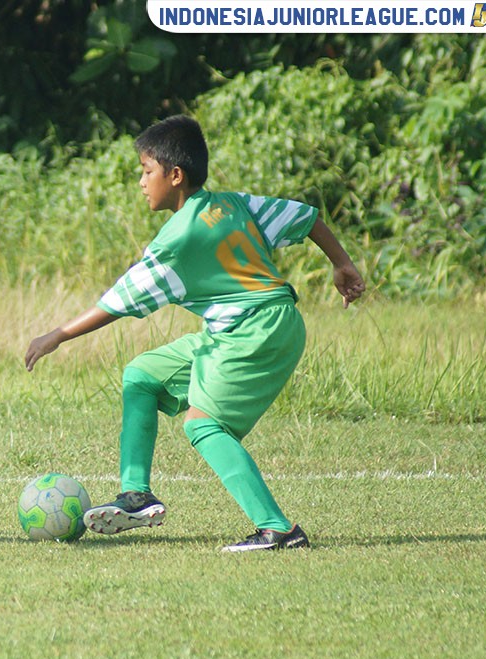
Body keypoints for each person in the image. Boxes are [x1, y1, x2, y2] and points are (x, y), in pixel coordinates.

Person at [24, 115, 365, 552]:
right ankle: (136, 496)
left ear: (175, 175)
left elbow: (118, 300)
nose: (142, 182)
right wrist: (342, 263)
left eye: (147, 172)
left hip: (254, 331)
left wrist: (56, 335)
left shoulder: (177, 241)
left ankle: (278, 529)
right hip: (248, 327)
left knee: (204, 424)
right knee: (142, 375)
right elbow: (306, 217)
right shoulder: (232, 205)